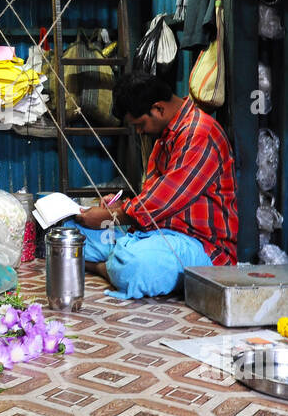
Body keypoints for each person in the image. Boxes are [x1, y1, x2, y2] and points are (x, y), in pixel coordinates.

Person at [71, 72, 237, 298]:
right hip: (154, 234)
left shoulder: (200, 133)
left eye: (140, 124)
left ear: (158, 108)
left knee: (136, 265)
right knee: (73, 236)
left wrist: (110, 216)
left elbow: (164, 201)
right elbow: (152, 198)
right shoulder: (163, 139)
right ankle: (115, 259)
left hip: (200, 248)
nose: (140, 131)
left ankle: (103, 267)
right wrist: (120, 205)